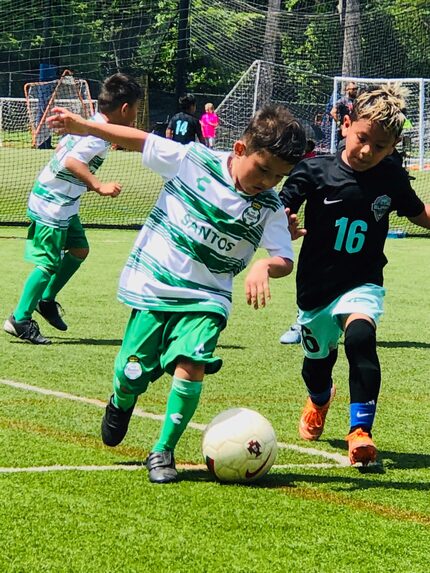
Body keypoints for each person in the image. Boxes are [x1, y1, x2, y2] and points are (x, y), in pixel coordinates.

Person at [47, 104, 306, 484]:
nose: (267, 182)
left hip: (209, 297)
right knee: (131, 372)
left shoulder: (268, 208)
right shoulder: (193, 160)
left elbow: (283, 257)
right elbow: (138, 140)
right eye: (263, 169)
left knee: (192, 363)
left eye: (278, 177)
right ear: (238, 149)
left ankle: (163, 450)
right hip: (156, 286)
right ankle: (122, 399)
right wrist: (84, 125)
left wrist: (263, 266)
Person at [279, 83, 430, 466]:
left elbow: (419, 213)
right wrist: (283, 223)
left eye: (380, 147)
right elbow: (278, 208)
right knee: (316, 367)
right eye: (363, 138)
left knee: (361, 336)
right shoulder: (314, 170)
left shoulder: (391, 178)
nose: (367, 151)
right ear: (346, 125)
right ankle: (319, 398)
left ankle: (360, 432)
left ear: (393, 147)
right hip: (315, 290)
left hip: (362, 282)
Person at [3, 73, 142, 344]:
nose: (136, 115)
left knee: (79, 250)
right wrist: (98, 186)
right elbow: (71, 162)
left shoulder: (94, 125)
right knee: (46, 264)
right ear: (125, 109)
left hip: (65, 203)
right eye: (136, 109)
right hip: (52, 203)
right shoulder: (96, 136)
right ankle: (19, 319)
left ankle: (46, 300)